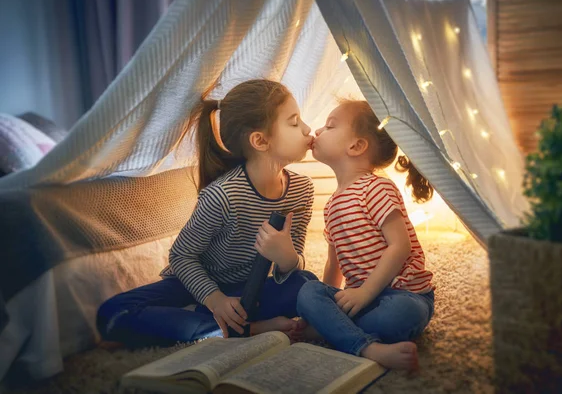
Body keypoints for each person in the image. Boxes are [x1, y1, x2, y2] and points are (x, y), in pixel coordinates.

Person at [97, 79, 317, 347]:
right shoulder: (222, 196)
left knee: (306, 284)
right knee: (114, 313)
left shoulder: (302, 190)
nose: (307, 129)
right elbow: (181, 256)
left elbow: (293, 268)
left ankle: (211, 326)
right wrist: (215, 299)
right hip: (197, 286)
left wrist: (288, 258)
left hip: (249, 291)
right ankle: (246, 329)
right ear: (260, 141)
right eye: (294, 122)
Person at [297, 100, 435, 371]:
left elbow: (400, 246)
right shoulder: (331, 205)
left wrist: (364, 293)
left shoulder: (376, 188)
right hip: (361, 300)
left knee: (401, 316)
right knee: (308, 291)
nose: (318, 130)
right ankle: (369, 347)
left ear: (357, 146)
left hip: (403, 295)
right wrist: (333, 299)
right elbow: (333, 265)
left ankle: (335, 331)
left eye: (330, 125)